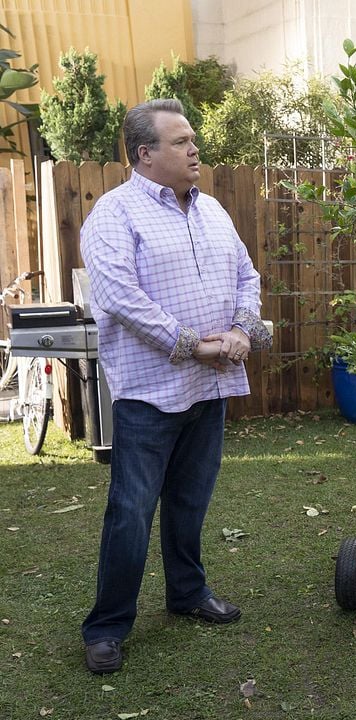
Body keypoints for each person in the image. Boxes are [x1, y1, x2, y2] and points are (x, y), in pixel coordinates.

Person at [79, 99, 271, 675]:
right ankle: (108, 625)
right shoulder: (113, 215)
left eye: (193, 140)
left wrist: (241, 328)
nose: (194, 151)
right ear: (146, 154)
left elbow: (246, 273)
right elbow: (118, 297)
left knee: (191, 501)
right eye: (181, 142)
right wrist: (194, 342)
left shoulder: (212, 210)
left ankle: (187, 593)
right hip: (150, 391)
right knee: (131, 511)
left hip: (208, 387)